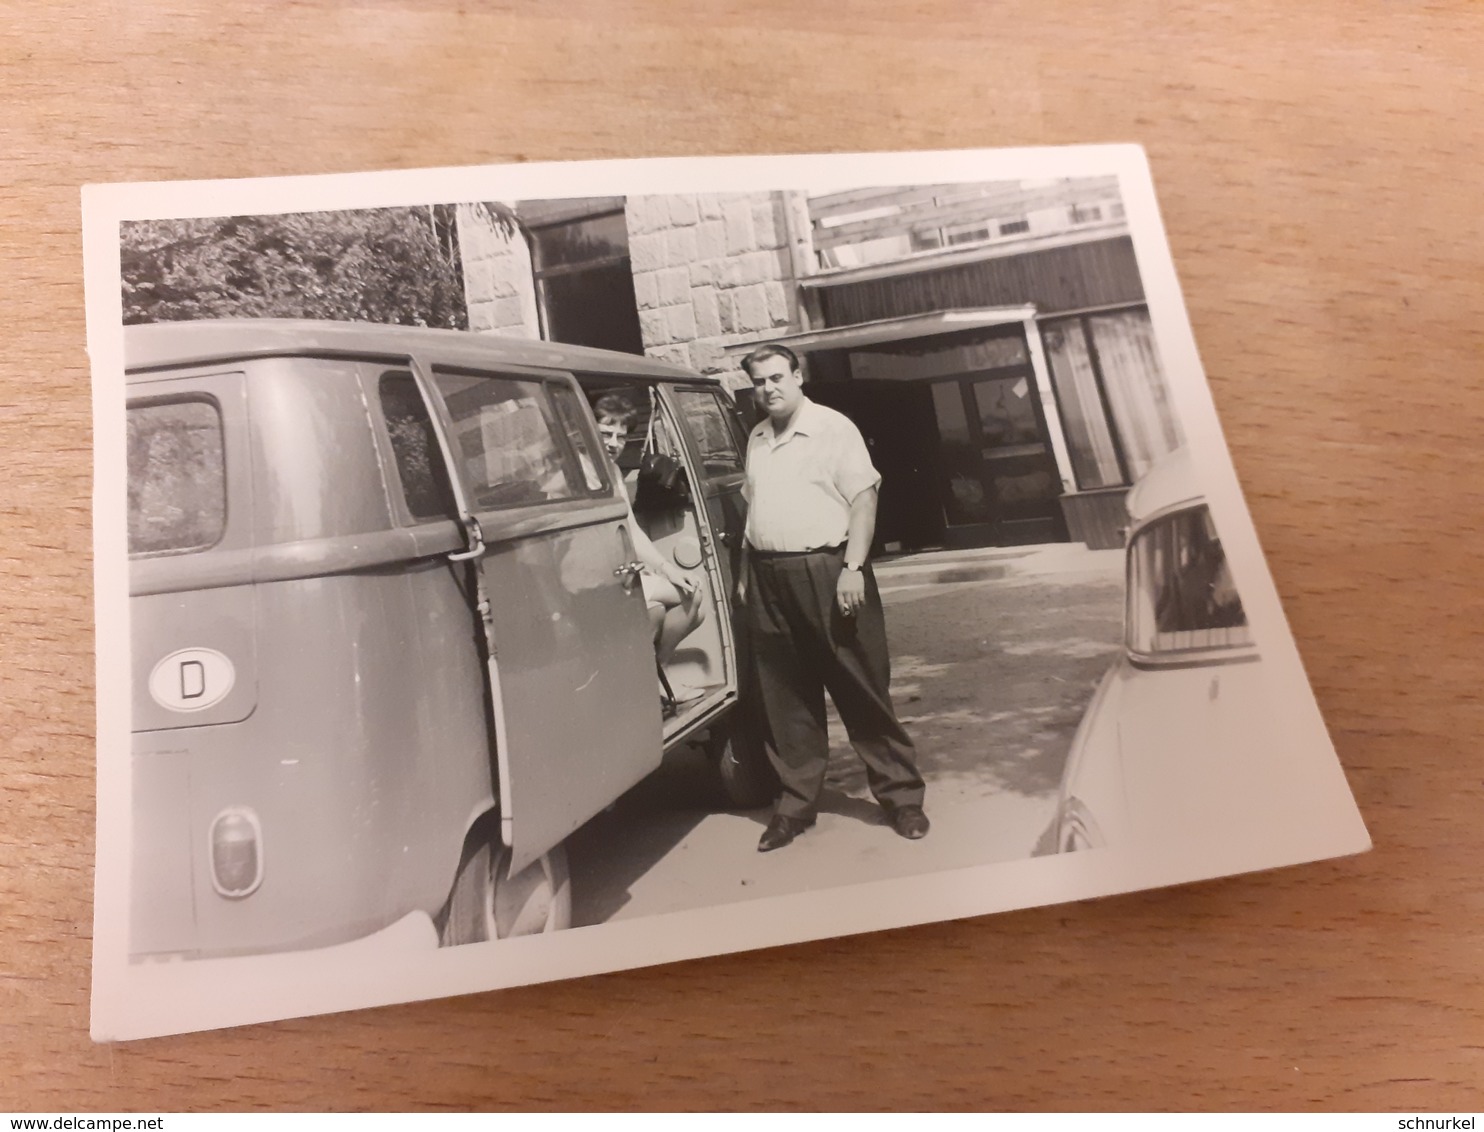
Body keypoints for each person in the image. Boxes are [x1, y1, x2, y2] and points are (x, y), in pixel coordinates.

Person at [737, 344, 928, 852]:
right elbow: (754, 513)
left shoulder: (832, 428)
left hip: (828, 568)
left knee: (861, 684)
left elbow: (864, 501)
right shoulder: (757, 436)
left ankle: (902, 797)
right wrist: (745, 571)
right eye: (759, 382)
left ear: (798, 376)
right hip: (767, 576)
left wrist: (853, 568)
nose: (768, 389)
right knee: (786, 695)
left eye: (777, 377)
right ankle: (795, 805)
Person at [591, 393, 707, 703]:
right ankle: (655, 677)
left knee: (693, 601)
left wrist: (669, 569)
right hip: (592, 576)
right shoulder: (574, 472)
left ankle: (658, 674)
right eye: (605, 433)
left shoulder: (612, 472)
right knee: (673, 604)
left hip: (620, 571)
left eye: (621, 436)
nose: (614, 443)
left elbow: (631, 530)